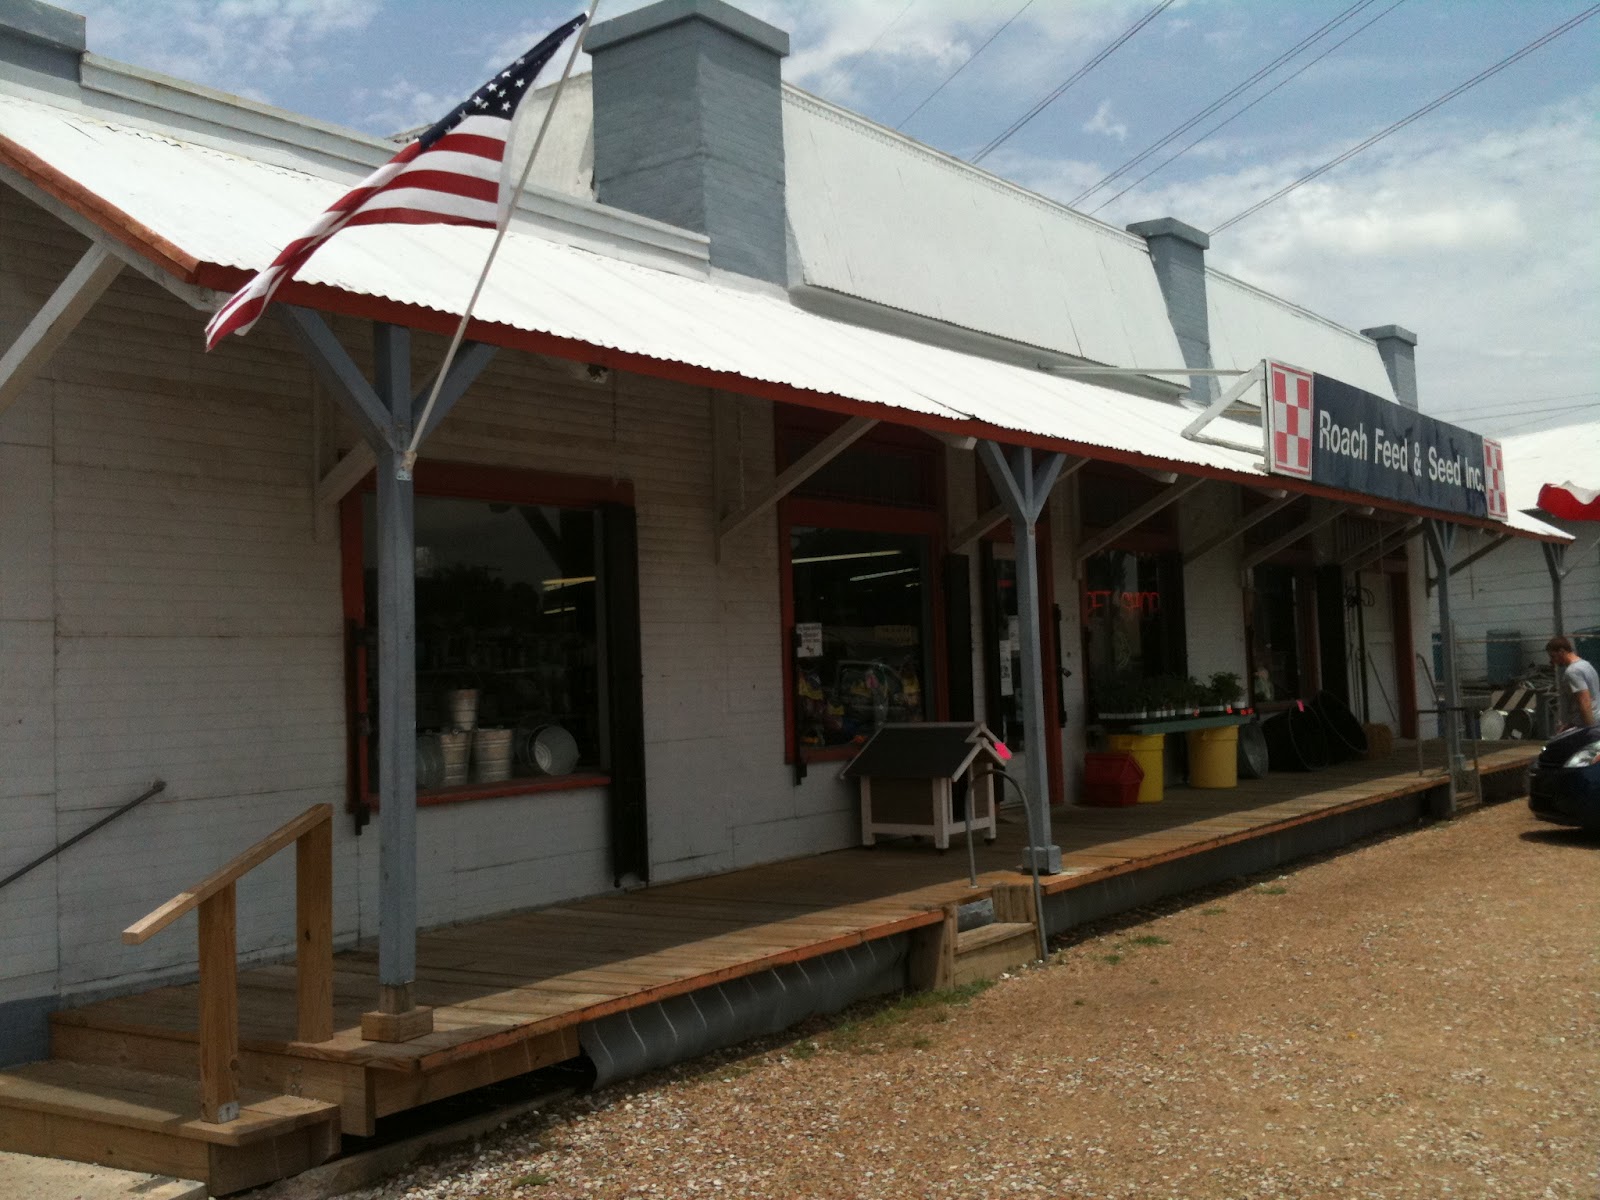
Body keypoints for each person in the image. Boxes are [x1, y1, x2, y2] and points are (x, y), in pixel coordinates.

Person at [1546, 635, 1598, 730]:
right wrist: (1570, 725)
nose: (1552, 661)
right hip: (1594, 719)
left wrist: (1591, 729)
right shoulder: (1586, 665)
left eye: (1553, 656)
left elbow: (1584, 701)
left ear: (1562, 651)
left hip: (1586, 725)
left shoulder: (1573, 671)